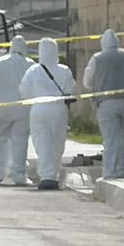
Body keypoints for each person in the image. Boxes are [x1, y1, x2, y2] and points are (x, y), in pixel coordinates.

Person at [82, 29, 124, 179]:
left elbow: (87, 82)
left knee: (110, 139)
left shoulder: (96, 58)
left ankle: (109, 172)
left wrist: (97, 88)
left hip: (106, 103)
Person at [19, 38, 76, 190]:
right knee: (57, 143)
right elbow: (71, 90)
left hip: (39, 109)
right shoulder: (64, 70)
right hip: (59, 109)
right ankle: (54, 175)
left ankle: (46, 176)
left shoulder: (33, 70)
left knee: (41, 142)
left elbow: (24, 91)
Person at [0, 35, 34, 186]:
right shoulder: (30, 64)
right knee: (20, 140)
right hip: (22, 108)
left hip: (0, 107)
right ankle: (19, 175)